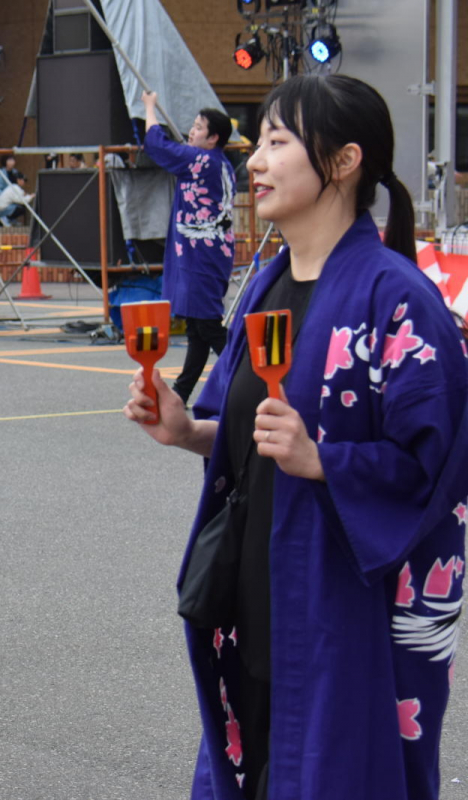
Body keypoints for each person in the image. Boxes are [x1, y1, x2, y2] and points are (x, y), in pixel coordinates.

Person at [124, 74, 468, 800]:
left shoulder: (400, 298)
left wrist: (325, 460)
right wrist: (189, 431)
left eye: (277, 143)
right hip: (259, 599)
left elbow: (439, 470)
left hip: (343, 612)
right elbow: (257, 440)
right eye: (259, 144)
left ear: (343, 161)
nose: (255, 161)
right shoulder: (264, 286)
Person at [142, 91, 236, 406]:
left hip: (201, 253)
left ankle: (248, 373)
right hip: (210, 251)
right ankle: (181, 393)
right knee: (198, 327)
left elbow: (157, 145)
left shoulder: (201, 160)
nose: (191, 131)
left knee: (207, 325)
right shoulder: (221, 164)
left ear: (213, 138)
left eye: (198, 128)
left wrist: (150, 107)